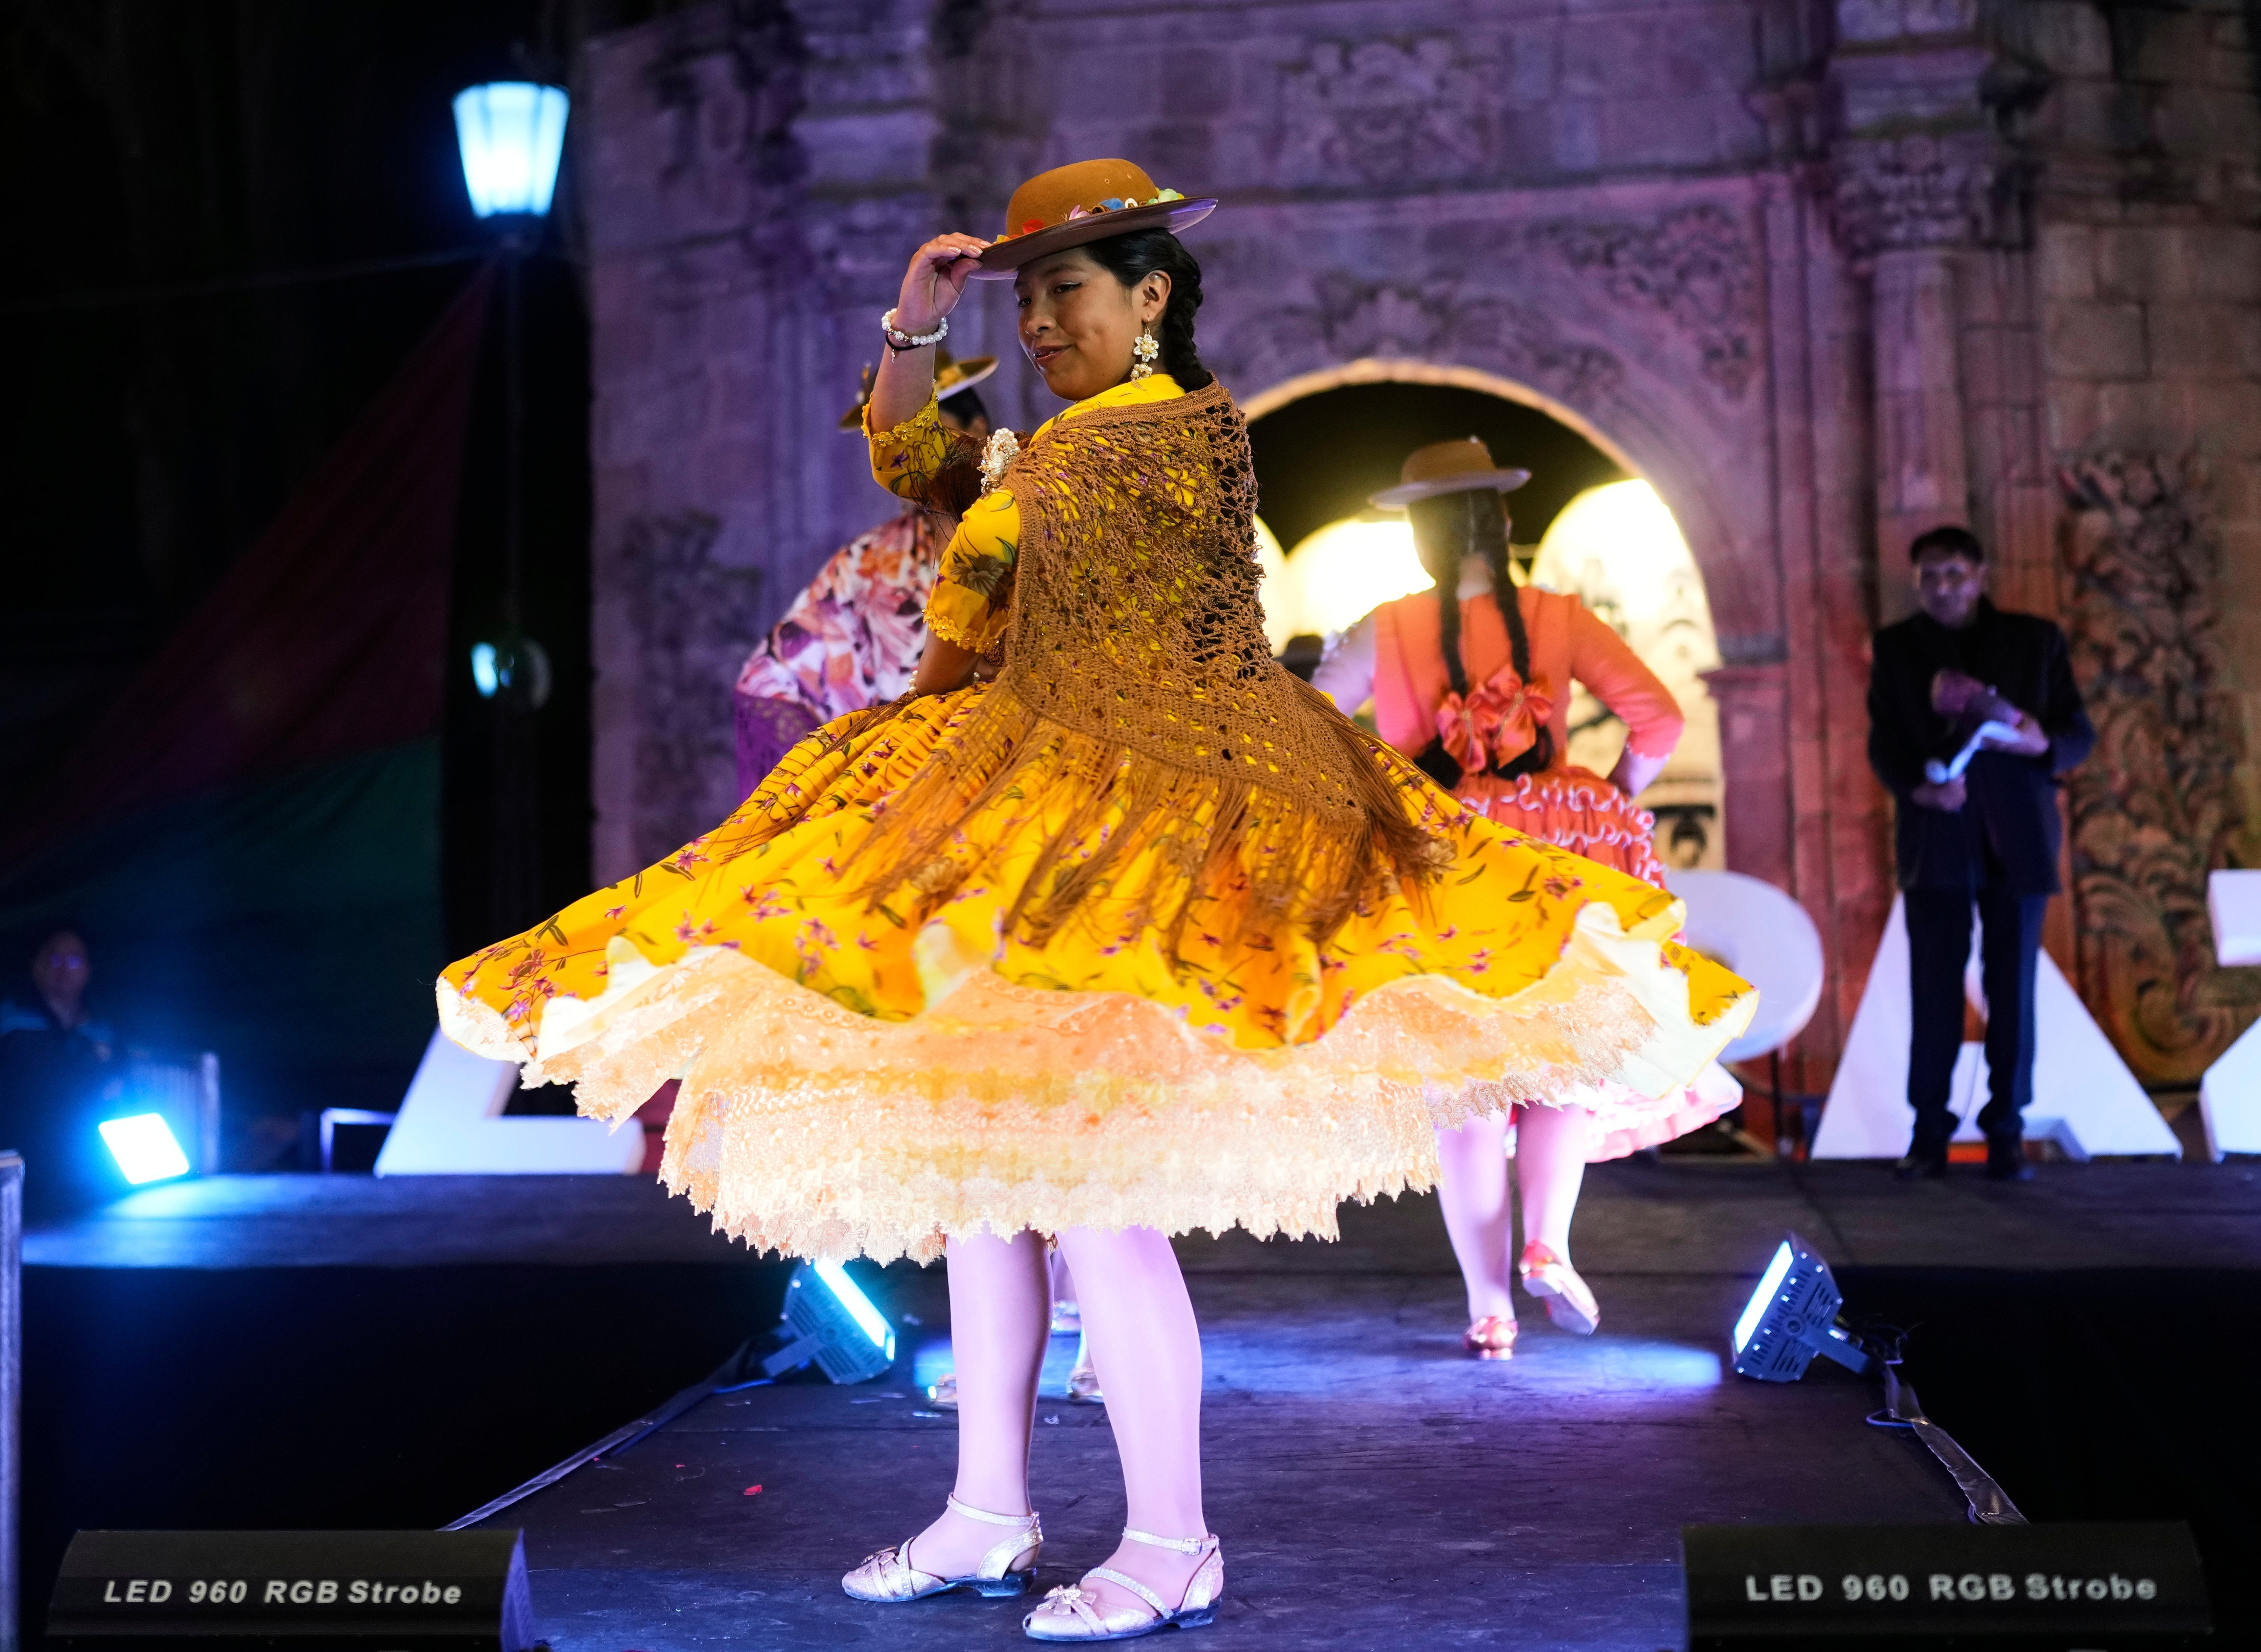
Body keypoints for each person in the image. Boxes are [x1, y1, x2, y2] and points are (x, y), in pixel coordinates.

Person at [437, 157, 1752, 1643]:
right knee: (986, 1188)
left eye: (1066, 289)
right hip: (1017, 812)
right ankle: (987, 1509)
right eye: (1030, 294)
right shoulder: (1064, 449)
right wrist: (915, 332)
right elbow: (928, 472)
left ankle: (1173, 1538)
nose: (1046, 320)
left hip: (1114, 832)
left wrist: (964, 482)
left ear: (1151, 295)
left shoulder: (1169, 441)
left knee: (1097, 1200)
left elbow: (975, 520)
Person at [1314, 441, 1741, 1360]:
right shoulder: (1555, 615)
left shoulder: (1383, 628)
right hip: (1558, 848)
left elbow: (1310, 725)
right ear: (1502, 524)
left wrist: (1381, 794)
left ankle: (1487, 1308)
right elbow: (1657, 719)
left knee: (1463, 1084)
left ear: (1421, 534)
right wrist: (1615, 790)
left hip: (1442, 859)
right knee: (1563, 1061)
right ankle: (1548, 1240)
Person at [1866, 525, 2093, 1182]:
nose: (1942, 588)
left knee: (2011, 989)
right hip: (1936, 838)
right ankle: (1928, 1133)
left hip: (2016, 836)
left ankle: (2006, 1131)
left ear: (1979, 574)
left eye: (1954, 575)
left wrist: (2035, 743)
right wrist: (1917, 789)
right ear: (1917, 583)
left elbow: (2076, 733)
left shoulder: (2034, 639)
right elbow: (1883, 742)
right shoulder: (1897, 648)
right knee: (1932, 989)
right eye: (1929, 577)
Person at [731, 348, 999, 796]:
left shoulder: (1026, 517)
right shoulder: (872, 558)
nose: (903, 462)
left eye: (923, 438)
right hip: (896, 785)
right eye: (888, 448)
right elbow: (772, 679)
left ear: (976, 429)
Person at [0, 929, 122, 1215]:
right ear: (37, 966)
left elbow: (122, 1087)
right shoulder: (10, 1021)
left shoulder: (101, 1029)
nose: (65, 969)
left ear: (88, 970)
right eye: (55, 960)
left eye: (75, 961)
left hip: (88, 1166)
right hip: (20, 1159)